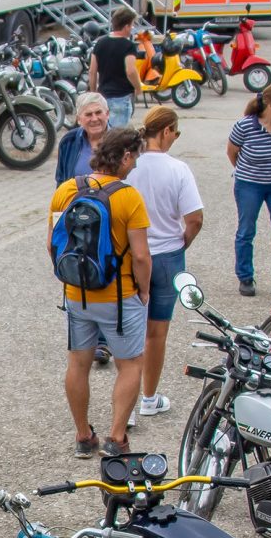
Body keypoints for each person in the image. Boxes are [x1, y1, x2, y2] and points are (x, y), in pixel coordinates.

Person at [49, 129, 152, 458]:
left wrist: (69, 280)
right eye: (134, 158)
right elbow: (141, 256)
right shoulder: (129, 197)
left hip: (77, 294)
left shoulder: (66, 190)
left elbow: (52, 243)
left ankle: (83, 436)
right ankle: (116, 438)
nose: (135, 165)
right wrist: (144, 290)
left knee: (78, 364)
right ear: (125, 157)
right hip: (119, 298)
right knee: (130, 364)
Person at [127, 106, 203, 421]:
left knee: (130, 331)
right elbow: (195, 218)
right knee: (156, 333)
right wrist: (182, 240)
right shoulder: (178, 169)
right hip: (168, 254)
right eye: (176, 133)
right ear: (167, 130)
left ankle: (127, 406)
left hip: (133, 254)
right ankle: (149, 397)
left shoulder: (129, 165)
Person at [227, 83, 271, 301]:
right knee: (246, 230)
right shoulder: (244, 126)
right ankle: (245, 277)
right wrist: (246, 172)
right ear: (270, 104)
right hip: (249, 184)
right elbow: (232, 152)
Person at [87, 6, 139, 125]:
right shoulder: (129, 46)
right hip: (121, 97)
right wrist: (138, 88)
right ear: (126, 26)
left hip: (103, 97)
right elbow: (131, 71)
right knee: (117, 135)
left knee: (104, 132)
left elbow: (92, 71)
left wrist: (94, 92)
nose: (132, 28)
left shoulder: (100, 43)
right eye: (131, 25)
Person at [54, 92, 109, 188]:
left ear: (107, 114)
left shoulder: (120, 141)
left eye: (98, 112)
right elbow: (61, 180)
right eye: (88, 114)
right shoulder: (69, 141)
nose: (94, 119)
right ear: (78, 119)